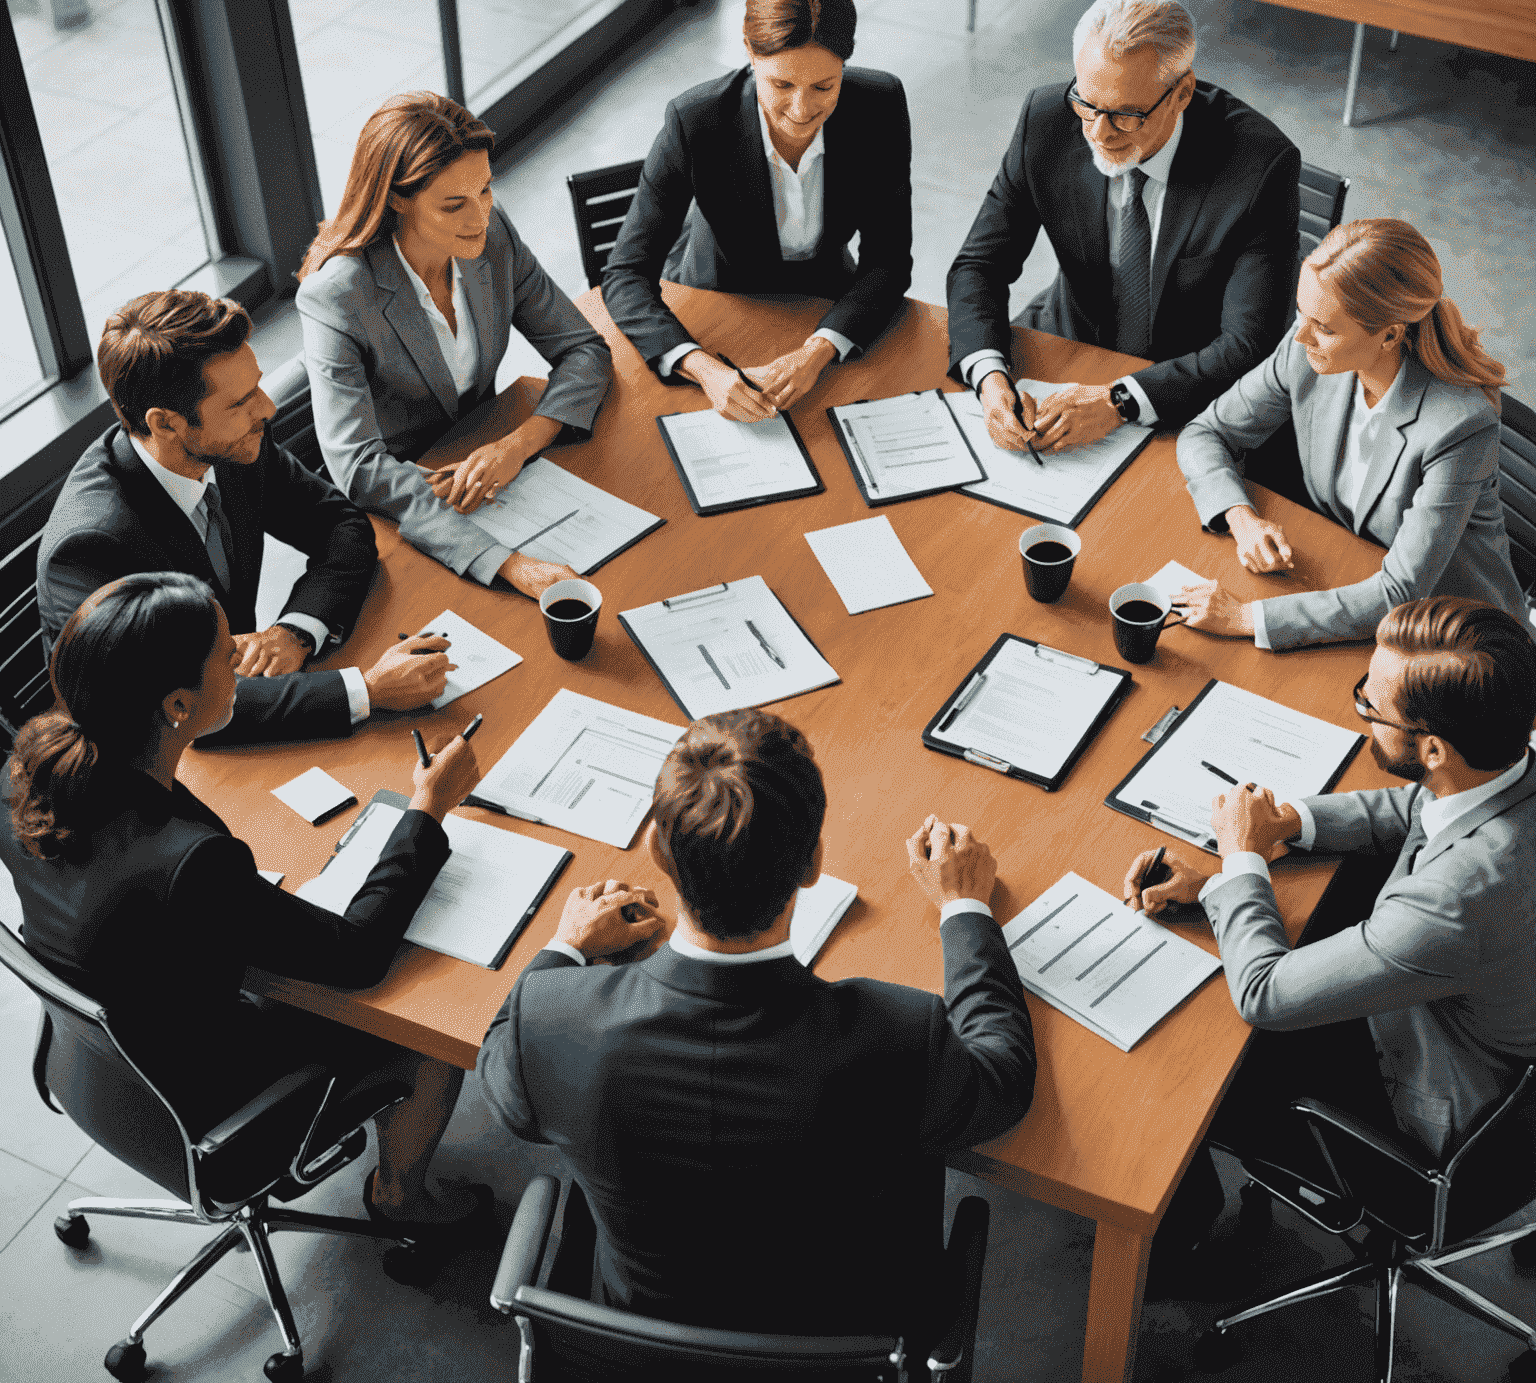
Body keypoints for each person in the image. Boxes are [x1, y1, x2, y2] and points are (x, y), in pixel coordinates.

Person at [476, 708, 1035, 1340]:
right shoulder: (898, 1035)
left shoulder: (551, 1018)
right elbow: (1004, 1079)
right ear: (812, 863)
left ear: (658, 851)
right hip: (847, 1349)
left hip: (637, 1355)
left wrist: (565, 948)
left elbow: (507, 1088)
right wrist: (964, 908)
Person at [1, 573, 491, 1238]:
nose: (243, 662)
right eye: (227, 657)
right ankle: (403, 1198)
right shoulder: (190, 865)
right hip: (208, 1097)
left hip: (98, 1066)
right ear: (177, 704)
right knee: (427, 1025)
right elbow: (357, 955)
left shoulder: (28, 774)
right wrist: (427, 811)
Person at [1124, 597, 1536, 1280]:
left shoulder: (1454, 901)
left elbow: (1265, 994)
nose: (1363, 713)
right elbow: (1421, 805)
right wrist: (1286, 826)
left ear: (1432, 747)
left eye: (1370, 709)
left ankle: (1182, 1248)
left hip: (1439, 1125)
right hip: (1498, 1044)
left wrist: (1239, 862)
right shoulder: (1504, 760)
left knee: (1189, 1052)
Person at [37, 290, 451, 747]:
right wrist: (367, 690)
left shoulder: (230, 446)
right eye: (240, 402)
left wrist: (294, 631)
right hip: (156, 766)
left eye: (257, 385)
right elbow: (176, 708)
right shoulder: (91, 548)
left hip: (245, 703)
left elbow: (341, 527)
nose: (267, 409)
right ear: (166, 425)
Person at [947, 0, 1299, 457]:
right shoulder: (1047, 119)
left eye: (1126, 115)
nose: (1098, 134)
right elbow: (980, 264)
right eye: (1088, 104)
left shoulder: (1260, 166)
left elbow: (1248, 343)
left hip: (1183, 387)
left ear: (1182, 93)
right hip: (1068, 340)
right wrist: (991, 379)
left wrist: (1120, 402)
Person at [297, 92, 612, 598]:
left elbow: (583, 349)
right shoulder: (337, 296)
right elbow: (356, 465)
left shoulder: (493, 232)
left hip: (494, 465)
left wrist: (520, 443)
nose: (480, 217)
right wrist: (499, 552)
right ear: (398, 198)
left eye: (485, 190)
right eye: (454, 204)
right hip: (404, 507)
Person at [1173, 219, 1525, 649]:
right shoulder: (1306, 352)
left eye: (1325, 327)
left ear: (1390, 334)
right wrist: (1240, 518)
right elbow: (1207, 432)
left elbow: (1401, 593)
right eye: (1303, 313)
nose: (1301, 335)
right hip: (1357, 574)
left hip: (1455, 636)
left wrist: (1244, 617)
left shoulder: (1459, 426)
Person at [603, 0, 913, 419]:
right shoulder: (697, 121)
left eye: (824, 85)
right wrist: (704, 368)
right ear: (749, 52)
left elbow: (888, 258)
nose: (802, 109)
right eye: (781, 84)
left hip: (827, 302)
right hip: (717, 299)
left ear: (845, 60)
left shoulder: (879, 104)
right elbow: (626, 273)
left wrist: (819, 350)